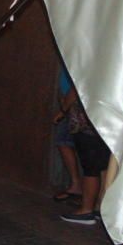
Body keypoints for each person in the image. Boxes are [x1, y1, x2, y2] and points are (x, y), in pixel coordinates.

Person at [58, 86, 111, 225]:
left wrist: (64, 107)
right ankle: (100, 207)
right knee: (103, 166)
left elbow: (77, 87)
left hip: (87, 123)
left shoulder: (90, 67)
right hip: (104, 121)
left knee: (90, 169)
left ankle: (86, 210)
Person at [51, 63, 83, 202]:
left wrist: (64, 110)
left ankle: (78, 186)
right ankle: (77, 185)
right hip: (69, 104)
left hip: (75, 107)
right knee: (64, 141)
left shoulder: (79, 59)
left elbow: (77, 87)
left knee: (64, 141)